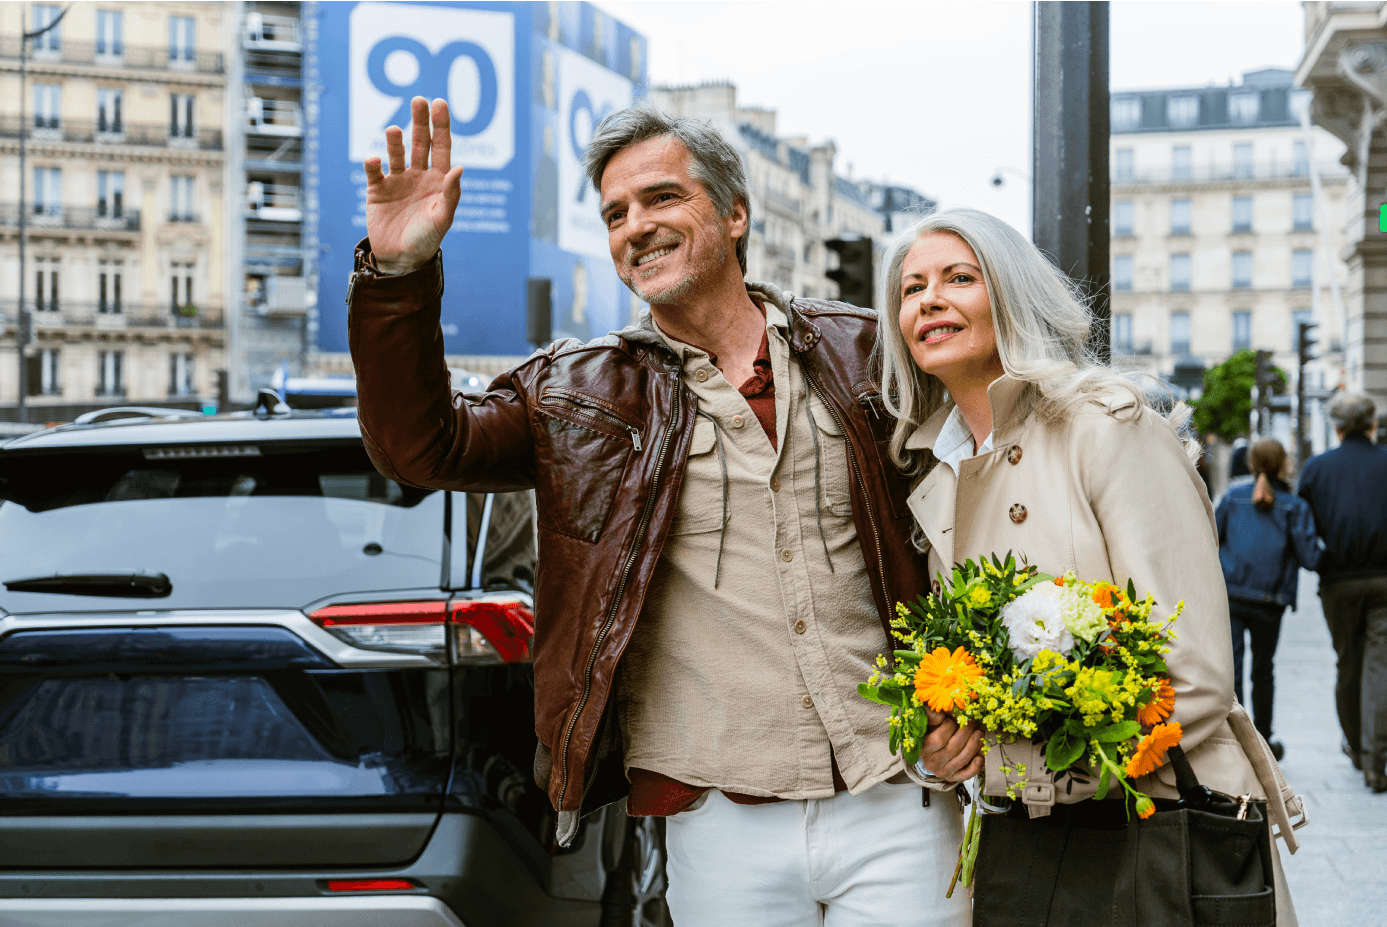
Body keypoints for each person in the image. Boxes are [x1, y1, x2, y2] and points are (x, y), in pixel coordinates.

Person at [347, 96, 977, 925]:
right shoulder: (574, 393)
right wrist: (399, 276)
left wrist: (969, 698)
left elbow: (977, 519)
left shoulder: (863, 351)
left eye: (660, 198)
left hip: (901, 796)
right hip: (715, 816)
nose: (634, 225)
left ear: (735, 212)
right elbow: (420, 448)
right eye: (615, 213)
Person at [875, 206, 1298, 922]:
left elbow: (1192, 675)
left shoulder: (1106, 427)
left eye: (957, 277)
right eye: (910, 289)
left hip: (1159, 822)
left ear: (1010, 293)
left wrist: (1007, 760)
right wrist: (942, 749)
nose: (928, 300)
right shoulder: (932, 468)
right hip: (1030, 843)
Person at [1297, 392, 1387, 793]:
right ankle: (1375, 760)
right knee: (1378, 667)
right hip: (1384, 579)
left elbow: (1299, 525)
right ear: (1372, 425)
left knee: (1347, 664)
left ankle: (1355, 746)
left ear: (1335, 427)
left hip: (1337, 582)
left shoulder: (1316, 469)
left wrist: (1318, 562)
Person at [1215, 438, 1323, 760]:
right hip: (1270, 600)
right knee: (1263, 670)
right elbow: (1310, 558)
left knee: (1232, 667)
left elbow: (1211, 537)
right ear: (1283, 465)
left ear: (1250, 464)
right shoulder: (1294, 505)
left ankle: (1234, 736)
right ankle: (1263, 739)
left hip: (1231, 594)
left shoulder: (1233, 498)